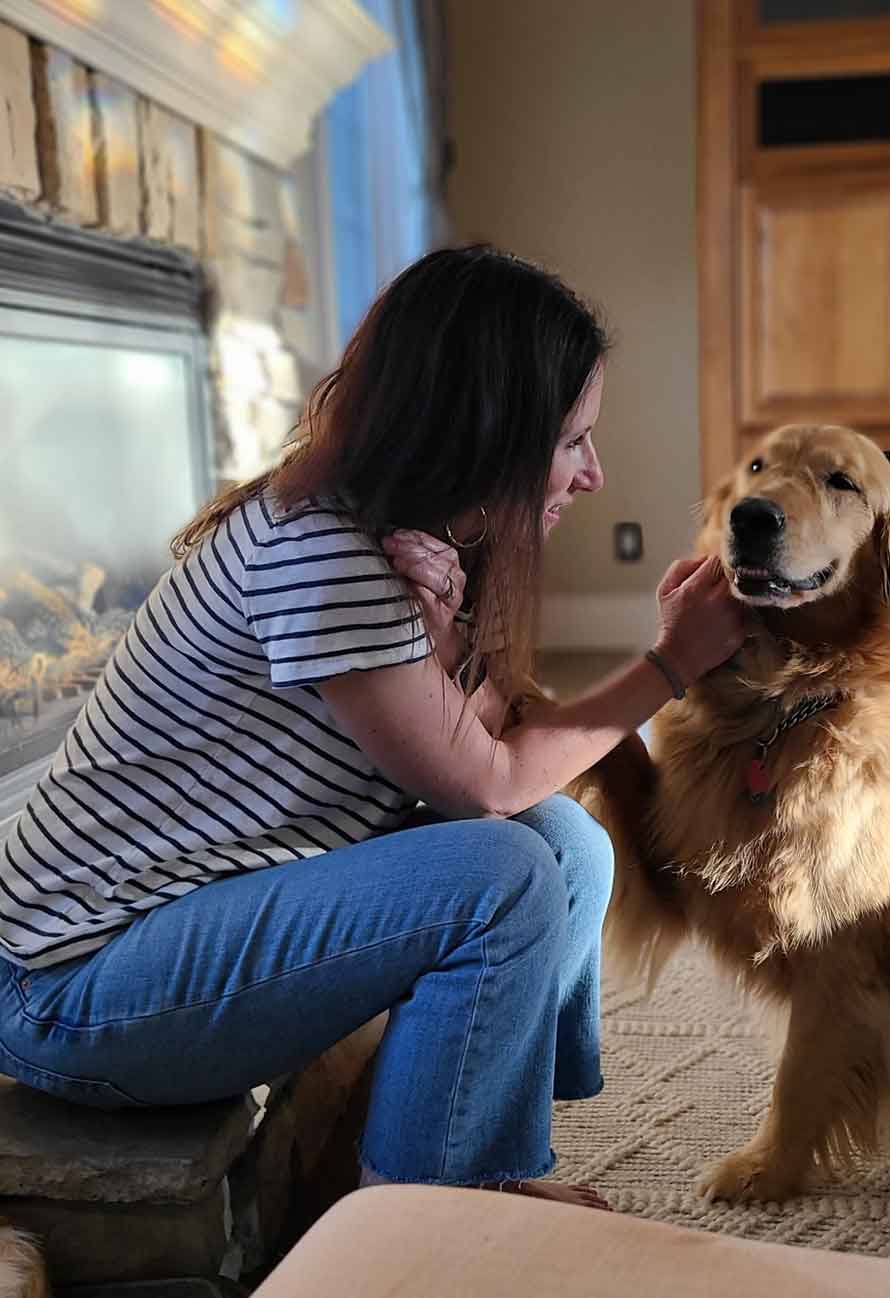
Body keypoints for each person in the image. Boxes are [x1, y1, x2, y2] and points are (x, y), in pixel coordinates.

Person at [0, 245, 747, 1211]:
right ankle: (418, 1218)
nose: (594, 474)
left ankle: (488, 1161)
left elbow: (463, 745)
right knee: (501, 875)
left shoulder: (390, 534)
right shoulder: (325, 556)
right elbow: (484, 781)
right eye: (571, 440)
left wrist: (439, 645)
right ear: (482, 431)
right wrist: (670, 666)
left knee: (565, 845)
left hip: (153, 936)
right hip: (75, 992)